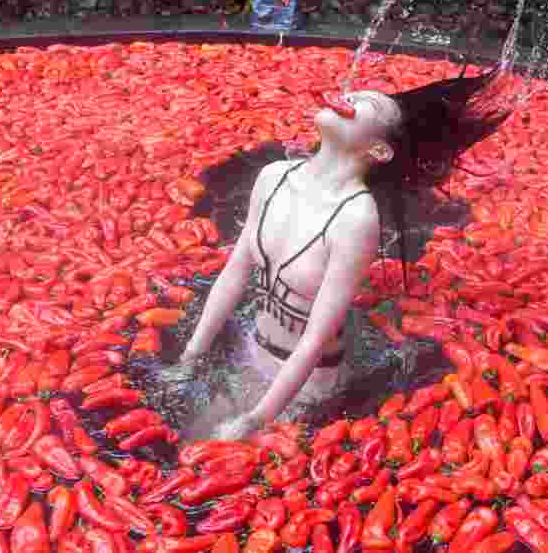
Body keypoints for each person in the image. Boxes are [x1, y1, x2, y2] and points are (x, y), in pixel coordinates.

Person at [165, 59, 511, 441]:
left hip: (307, 388)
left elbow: (315, 337)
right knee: (182, 441)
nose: (350, 97)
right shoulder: (273, 177)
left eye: (370, 104)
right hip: (248, 351)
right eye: (354, 94)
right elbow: (234, 274)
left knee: (218, 457)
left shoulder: (356, 218)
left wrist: (255, 420)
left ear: (379, 150)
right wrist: (189, 359)